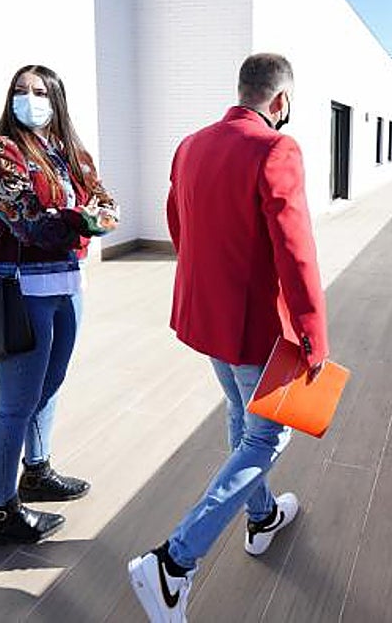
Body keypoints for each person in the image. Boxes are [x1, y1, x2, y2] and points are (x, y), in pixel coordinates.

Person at [128, 53, 329, 622]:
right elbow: (296, 251)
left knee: (242, 418)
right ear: (281, 102)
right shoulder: (276, 149)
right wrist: (313, 336)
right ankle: (173, 562)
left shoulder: (190, 145)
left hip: (208, 317)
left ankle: (262, 518)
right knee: (266, 440)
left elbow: (178, 225)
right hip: (258, 329)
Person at [0, 64, 119, 546]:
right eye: (20, 90)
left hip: (65, 283)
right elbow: (29, 223)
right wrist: (83, 219)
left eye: (39, 91)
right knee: (15, 405)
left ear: (56, 99)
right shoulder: (1, 151)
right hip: (20, 286)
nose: (29, 98)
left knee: (50, 385)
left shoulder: (68, 151)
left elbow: (105, 203)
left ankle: (35, 472)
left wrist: (82, 216)